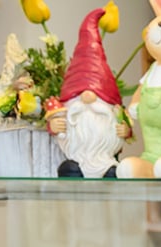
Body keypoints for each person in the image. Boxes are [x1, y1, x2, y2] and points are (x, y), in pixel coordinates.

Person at [45, 7, 131, 178]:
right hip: (76, 162)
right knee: (68, 170)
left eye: (97, 94)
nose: (87, 97)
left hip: (106, 162)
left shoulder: (113, 115)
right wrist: (53, 126)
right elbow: (54, 124)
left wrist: (126, 130)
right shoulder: (68, 115)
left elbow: (126, 128)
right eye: (79, 93)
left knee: (115, 174)